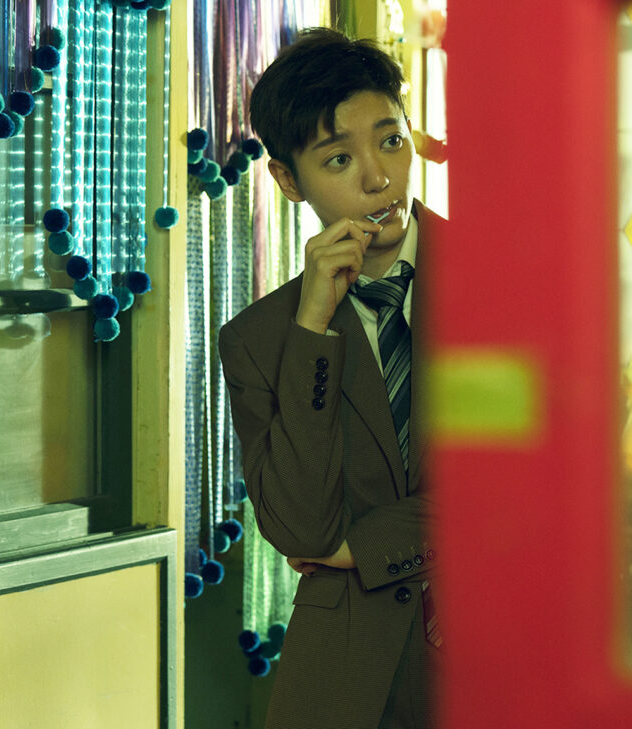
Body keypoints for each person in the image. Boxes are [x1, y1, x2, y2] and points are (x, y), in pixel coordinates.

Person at [219, 28, 442, 729]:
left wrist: (364, 549)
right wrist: (312, 330)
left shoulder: (506, 281)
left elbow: (520, 485)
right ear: (288, 181)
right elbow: (300, 527)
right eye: (339, 158)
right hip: (341, 685)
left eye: (391, 140)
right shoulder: (260, 340)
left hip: (496, 657)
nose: (378, 178)